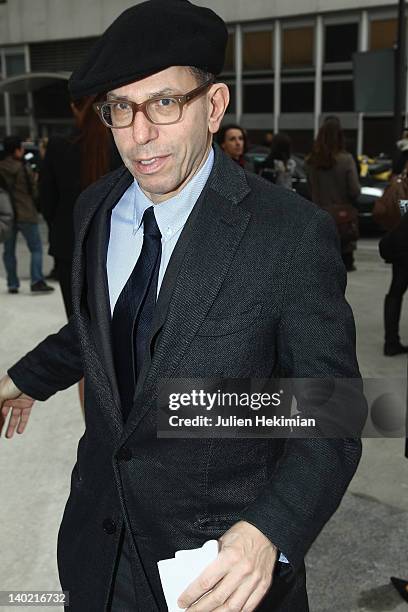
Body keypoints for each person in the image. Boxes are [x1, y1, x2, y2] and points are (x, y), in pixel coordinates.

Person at [0, 2, 364, 610]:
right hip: (97, 551)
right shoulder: (97, 207)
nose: (140, 135)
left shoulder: (290, 235)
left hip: (215, 573)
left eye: (164, 103)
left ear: (214, 106)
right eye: (120, 109)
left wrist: (267, 531)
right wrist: (26, 377)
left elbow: (331, 414)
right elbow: (105, 322)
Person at [40, 96, 111, 318]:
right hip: (113, 245)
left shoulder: (58, 146)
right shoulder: (118, 144)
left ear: (74, 107)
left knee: (76, 323)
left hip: (68, 246)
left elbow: (45, 201)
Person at [0, 136, 54, 294]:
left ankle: (12, 283)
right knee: (36, 248)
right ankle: (36, 281)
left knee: (8, 251)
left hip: (7, 215)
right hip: (26, 213)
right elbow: (34, 190)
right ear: (17, 150)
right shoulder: (24, 168)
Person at [306, 117, 361, 272]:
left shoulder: (311, 161)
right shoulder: (346, 160)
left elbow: (310, 189)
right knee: (345, 268)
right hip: (343, 222)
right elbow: (354, 191)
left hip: (319, 217)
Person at [379, 210, 408, 355]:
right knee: (396, 292)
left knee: (395, 292)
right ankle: (391, 342)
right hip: (401, 244)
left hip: (399, 242)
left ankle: (391, 342)